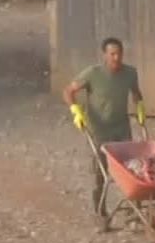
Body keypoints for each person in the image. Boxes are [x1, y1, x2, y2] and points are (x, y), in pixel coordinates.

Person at [63, 37, 146, 218]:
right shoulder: (93, 74)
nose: (116, 58)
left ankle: (134, 209)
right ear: (105, 55)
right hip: (99, 129)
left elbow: (136, 92)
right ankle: (100, 210)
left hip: (121, 128)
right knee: (100, 172)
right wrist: (76, 111)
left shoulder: (130, 73)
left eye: (119, 54)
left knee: (131, 168)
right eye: (112, 54)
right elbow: (68, 91)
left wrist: (140, 107)